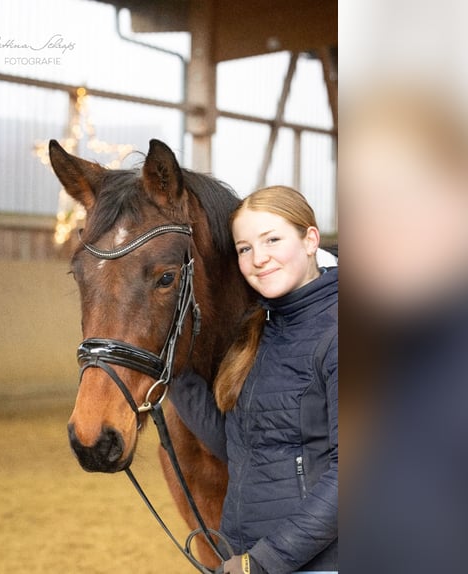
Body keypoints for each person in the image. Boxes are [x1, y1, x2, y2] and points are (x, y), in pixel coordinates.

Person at [171, 186, 338, 574]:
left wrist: (264, 561)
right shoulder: (261, 330)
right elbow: (242, 445)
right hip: (249, 553)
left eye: (272, 240)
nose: (258, 258)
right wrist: (176, 370)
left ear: (310, 240)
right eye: (244, 248)